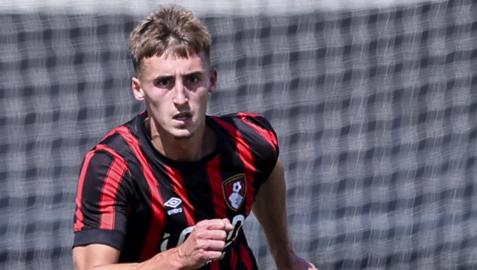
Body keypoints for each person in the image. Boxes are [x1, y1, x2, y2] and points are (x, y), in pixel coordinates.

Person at [72, 5, 317, 270]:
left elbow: (269, 163)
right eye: (164, 82)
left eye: (192, 80)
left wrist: (285, 256)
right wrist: (178, 258)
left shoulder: (250, 140)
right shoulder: (112, 165)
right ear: (138, 89)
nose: (180, 99)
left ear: (211, 80)